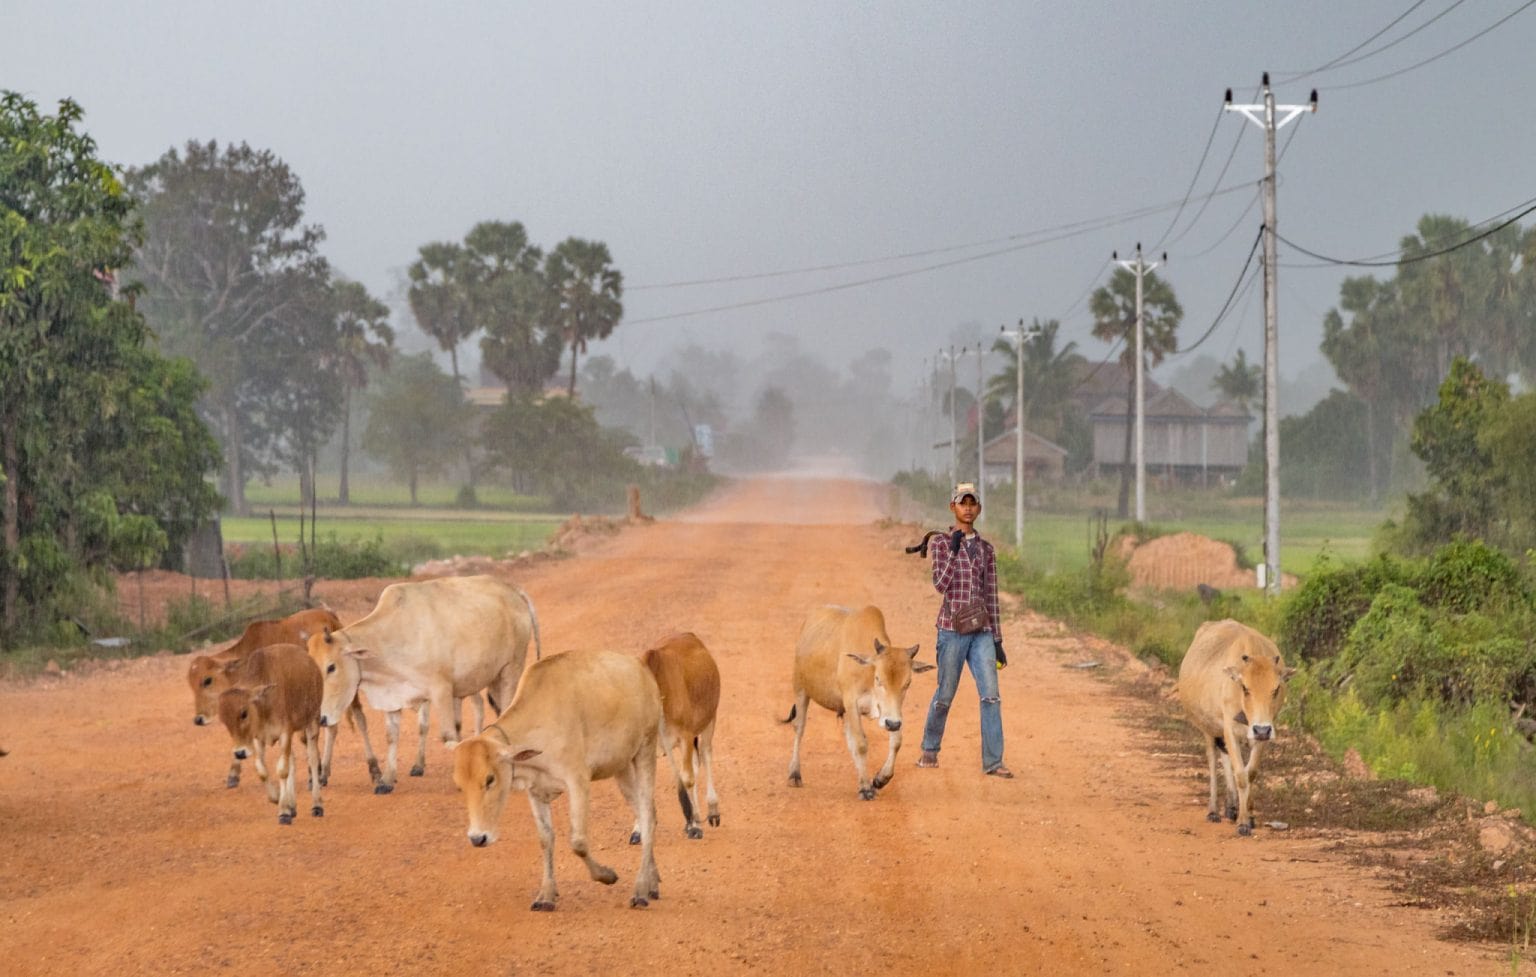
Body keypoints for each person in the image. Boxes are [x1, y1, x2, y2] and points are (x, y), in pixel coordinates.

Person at [916, 482, 1012, 778]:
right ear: (952, 507)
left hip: (981, 631)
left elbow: (992, 596)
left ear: (978, 509)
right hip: (951, 630)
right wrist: (955, 550)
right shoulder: (942, 544)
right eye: (962, 503)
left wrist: (997, 640)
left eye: (972, 503)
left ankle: (993, 762)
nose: (968, 508)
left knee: (991, 696)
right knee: (945, 694)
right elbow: (940, 585)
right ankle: (930, 749)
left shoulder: (986, 550)